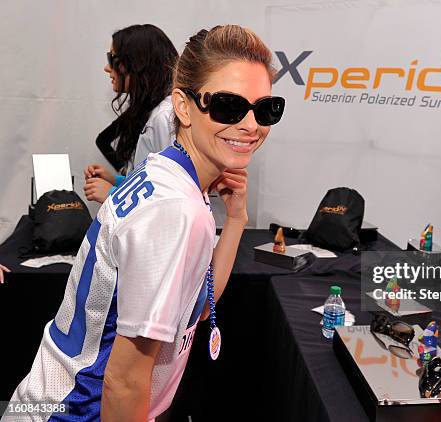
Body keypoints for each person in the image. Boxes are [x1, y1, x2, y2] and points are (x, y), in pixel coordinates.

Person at [3, 25, 284, 421]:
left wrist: (235, 220)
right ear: (183, 107)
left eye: (266, 108)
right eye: (227, 106)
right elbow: (125, 379)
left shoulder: (170, 173)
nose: (252, 125)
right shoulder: (174, 209)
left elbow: (197, 307)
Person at [84, 24, 178, 204]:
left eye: (112, 59)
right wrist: (117, 181)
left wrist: (113, 196)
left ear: (138, 64)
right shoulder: (152, 112)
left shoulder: (164, 118)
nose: (106, 67)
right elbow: (152, 182)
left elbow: (171, 197)